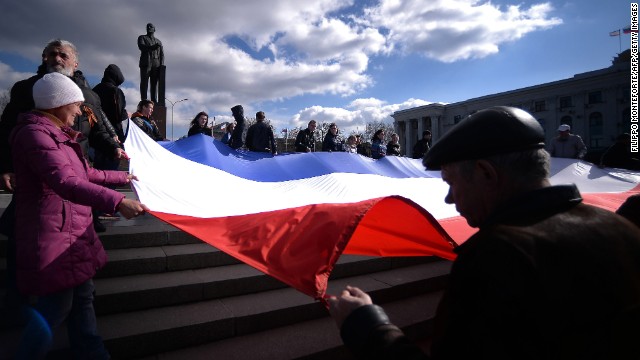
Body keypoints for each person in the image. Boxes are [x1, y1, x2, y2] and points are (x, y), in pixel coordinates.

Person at [328, 106, 640, 360]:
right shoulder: (620, 229)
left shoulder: (498, 256)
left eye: (451, 183)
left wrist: (367, 327)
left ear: (486, 173)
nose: (450, 199)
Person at [10, 72, 149, 359]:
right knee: (56, 308)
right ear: (58, 103)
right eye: (76, 105)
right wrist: (118, 201)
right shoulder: (35, 135)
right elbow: (65, 182)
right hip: (53, 234)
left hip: (72, 232)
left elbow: (86, 173)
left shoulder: (59, 135)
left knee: (83, 300)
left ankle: (92, 352)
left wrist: (123, 176)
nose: (79, 112)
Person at [92, 64, 129, 141]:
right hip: (114, 133)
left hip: (97, 131)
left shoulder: (94, 90)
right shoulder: (115, 91)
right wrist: (127, 114)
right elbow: (119, 114)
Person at [138, 23, 164, 105]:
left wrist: (162, 65)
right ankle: (144, 99)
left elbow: (162, 54)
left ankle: (153, 100)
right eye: (147, 27)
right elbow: (141, 47)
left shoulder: (158, 41)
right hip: (146, 62)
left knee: (154, 83)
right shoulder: (142, 37)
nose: (149, 28)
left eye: (151, 26)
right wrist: (152, 47)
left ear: (154, 29)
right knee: (144, 81)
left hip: (156, 63)